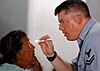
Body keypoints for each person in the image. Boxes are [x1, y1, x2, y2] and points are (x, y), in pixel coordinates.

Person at [38, 0, 100, 71]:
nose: (60, 28)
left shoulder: (95, 38)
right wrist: (51, 55)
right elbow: (73, 69)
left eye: (63, 22)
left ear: (79, 19)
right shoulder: (88, 37)